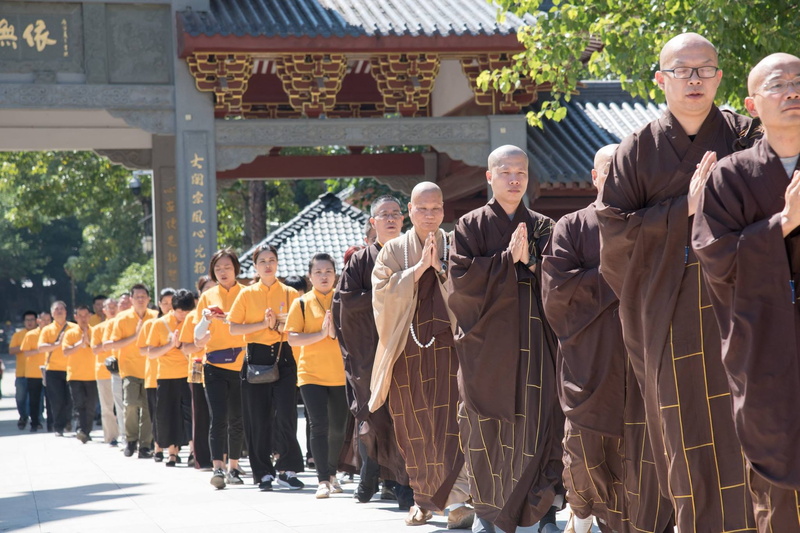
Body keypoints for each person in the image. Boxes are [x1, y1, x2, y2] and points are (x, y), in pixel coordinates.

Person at [597, 33, 760, 531]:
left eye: (704, 69)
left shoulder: (746, 136)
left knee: (750, 422)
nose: (694, 79)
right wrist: (683, 209)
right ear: (660, 79)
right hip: (669, 313)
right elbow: (614, 234)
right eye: (682, 69)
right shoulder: (637, 150)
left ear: (720, 77)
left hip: (742, 304)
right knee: (683, 428)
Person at [692, 53, 800, 530]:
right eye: (779, 84)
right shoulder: (730, 176)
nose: (794, 90)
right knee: (776, 485)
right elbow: (715, 257)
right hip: (765, 347)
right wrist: (783, 224)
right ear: (752, 104)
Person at [542, 145, 674, 533]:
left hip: (642, 356)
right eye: (607, 170)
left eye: (624, 171)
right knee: (584, 450)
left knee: (645, 448)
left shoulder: (648, 222)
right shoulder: (571, 226)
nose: (615, 177)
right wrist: (619, 274)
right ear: (595, 177)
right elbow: (557, 292)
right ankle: (581, 514)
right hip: (591, 357)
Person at [448, 147, 562, 533]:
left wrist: (530, 261)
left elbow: (561, 280)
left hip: (534, 346)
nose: (515, 179)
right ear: (489, 176)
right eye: (507, 171)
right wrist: (504, 263)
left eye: (522, 172)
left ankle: (532, 512)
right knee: (483, 427)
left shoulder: (544, 226)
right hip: (486, 349)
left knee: (536, 422)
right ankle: (486, 514)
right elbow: (460, 283)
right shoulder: (469, 226)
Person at [370, 182, 474, 529]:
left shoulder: (458, 244)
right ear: (409, 211)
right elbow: (381, 298)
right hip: (406, 351)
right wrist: (416, 271)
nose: (430, 215)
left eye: (436, 209)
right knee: (411, 426)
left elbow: (473, 292)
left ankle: (458, 500)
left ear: (444, 210)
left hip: (449, 351)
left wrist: (442, 270)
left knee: (453, 424)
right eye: (422, 209)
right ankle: (421, 499)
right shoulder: (393, 251)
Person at [332, 195, 413, 507]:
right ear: (373, 222)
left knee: (403, 416)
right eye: (384, 214)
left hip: (407, 347)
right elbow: (346, 304)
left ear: (403, 219)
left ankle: (402, 484)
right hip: (369, 352)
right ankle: (371, 470)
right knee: (372, 418)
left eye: (395, 213)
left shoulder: (413, 255)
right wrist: (387, 296)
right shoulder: (361, 260)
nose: (391, 219)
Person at [228, 244, 304, 491]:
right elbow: (234, 328)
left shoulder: (291, 294)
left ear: (278, 263)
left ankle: (287, 469)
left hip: (284, 357)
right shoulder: (247, 294)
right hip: (256, 358)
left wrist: (276, 327)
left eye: (272, 260)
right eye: (262, 261)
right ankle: (262, 472)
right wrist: (263, 324)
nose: (268, 264)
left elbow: (297, 328)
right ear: (255, 266)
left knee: (286, 415)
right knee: (257, 419)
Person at [285, 253, 346, 498]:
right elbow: (292, 337)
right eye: (318, 272)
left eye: (328, 271)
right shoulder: (300, 303)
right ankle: (322, 479)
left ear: (336, 275)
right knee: (319, 425)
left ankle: (332, 473)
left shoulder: (343, 301)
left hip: (340, 374)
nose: (324, 276)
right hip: (311, 374)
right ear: (310, 277)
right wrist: (321, 334)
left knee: (339, 429)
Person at [189, 250, 248, 487]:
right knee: (218, 418)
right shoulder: (207, 296)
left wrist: (229, 319)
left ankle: (234, 467)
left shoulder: (247, 294)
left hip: (242, 364)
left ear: (236, 269)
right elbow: (197, 337)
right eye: (218, 268)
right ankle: (218, 468)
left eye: (227, 267)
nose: (223, 272)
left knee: (237, 418)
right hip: (213, 364)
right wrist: (206, 319)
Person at [106, 284, 158, 458]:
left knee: (148, 409)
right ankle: (130, 439)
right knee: (130, 405)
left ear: (149, 299)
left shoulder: (155, 316)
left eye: (144, 296)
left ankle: (145, 445)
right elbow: (114, 344)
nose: (141, 300)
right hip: (129, 369)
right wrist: (135, 336)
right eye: (137, 297)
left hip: (150, 369)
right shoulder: (122, 318)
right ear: (131, 299)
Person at [145, 289, 195, 467]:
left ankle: (193, 451)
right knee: (168, 415)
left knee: (190, 415)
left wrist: (181, 346)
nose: (183, 315)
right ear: (172, 309)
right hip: (165, 375)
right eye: (180, 311)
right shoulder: (159, 324)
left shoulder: (193, 321)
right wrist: (170, 345)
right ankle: (172, 453)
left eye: (187, 312)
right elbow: (151, 352)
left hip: (189, 374)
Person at [141, 288, 176, 463]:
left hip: (174, 374)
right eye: (164, 303)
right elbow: (143, 348)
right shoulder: (151, 324)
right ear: (159, 304)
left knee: (172, 414)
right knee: (157, 415)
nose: (168, 307)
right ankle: (158, 447)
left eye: (171, 303)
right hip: (154, 374)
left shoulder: (181, 321)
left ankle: (172, 449)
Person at [62, 305, 99, 443]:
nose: (83, 319)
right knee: (79, 404)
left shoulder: (96, 331)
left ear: (90, 316)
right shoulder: (70, 333)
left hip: (92, 375)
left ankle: (86, 430)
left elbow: (100, 349)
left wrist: (88, 343)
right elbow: (66, 351)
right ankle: (80, 429)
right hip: (75, 375)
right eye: (80, 316)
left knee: (90, 405)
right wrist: (80, 343)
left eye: (86, 315)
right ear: (75, 317)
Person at [38, 301, 74, 437]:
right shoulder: (47, 330)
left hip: (71, 368)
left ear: (66, 312)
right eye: (56, 309)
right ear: (52, 313)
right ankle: (58, 426)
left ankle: (68, 420)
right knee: (56, 400)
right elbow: (41, 348)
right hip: (53, 369)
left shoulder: (74, 328)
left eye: (61, 309)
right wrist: (57, 344)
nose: (59, 311)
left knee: (69, 400)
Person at [91, 298, 120, 445]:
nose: (113, 309)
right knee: (107, 407)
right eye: (109, 307)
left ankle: (128, 436)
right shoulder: (98, 328)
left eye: (115, 306)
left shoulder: (123, 325)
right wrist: (110, 345)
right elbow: (95, 349)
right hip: (103, 372)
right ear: (104, 311)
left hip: (123, 370)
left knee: (125, 406)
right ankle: (111, 437)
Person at [20, 311, 52, 432]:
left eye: (48, 320)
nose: (46, 322)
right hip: (33, 372)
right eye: (43, 320)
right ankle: (34, 423)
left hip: (50, 370)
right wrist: (41, 350)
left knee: (50, 399)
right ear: (38, 321)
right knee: (34, 400)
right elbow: (26, 352)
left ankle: (51, 423)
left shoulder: (54, 333)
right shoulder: (31, 335)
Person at [9, 310, 37, 430]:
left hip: (36, 373)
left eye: (32, 320)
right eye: (27, 320)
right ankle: (23, 416)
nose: (30, 322)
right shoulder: (18, 335)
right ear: (24, 322)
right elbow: (11, 350)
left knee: (36, 398)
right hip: (21, 373)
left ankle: (36, 419)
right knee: (20, 398)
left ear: (36, 321)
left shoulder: (40, 334)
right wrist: (25, 347)